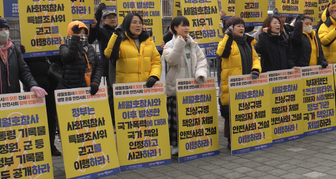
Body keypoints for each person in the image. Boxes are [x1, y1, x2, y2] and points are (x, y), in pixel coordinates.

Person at [0, 17, 47, 179]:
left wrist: (33, 85)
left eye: (6, 29)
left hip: (9, 101)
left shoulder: (13, 49)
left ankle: (7, 171)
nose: (4, 33)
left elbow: (24, 70)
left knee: (7, 138)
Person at [163, 16, 208, 156]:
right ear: (175, 28)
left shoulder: (193, 44)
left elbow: (201, 61)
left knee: (190, 118)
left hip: (191, 88)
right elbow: (172, 60)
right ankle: (174, 145)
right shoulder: (169, 45)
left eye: (187, 25)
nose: (186, 28)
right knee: (175, 119)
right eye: (183, 25)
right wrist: (179, 44)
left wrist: (200, 74)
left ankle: (190, 141)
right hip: (176, 89)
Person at [216, 17, 261, 150]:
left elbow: (255, 58)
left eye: (242, 26)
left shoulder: (248, 42)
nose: (241, 28)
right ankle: (232, 140)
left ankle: (245, 136)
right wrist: (227, 36)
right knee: (231, 112)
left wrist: (255, 70)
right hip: (232, 84)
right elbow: (222, 52)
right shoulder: (227, 41)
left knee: (245, 110)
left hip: (247, 81)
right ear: (231, 28)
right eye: (238, 26)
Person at [21, 47, 62, 157]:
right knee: (35, 119)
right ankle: (36, 145)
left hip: (51, 85)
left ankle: (50, 144)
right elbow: (22, 67)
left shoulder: (54, 45)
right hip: (34, 87)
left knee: (51, 117)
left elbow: (60, 60)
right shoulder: (27, 44)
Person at [104, 12, 161, 85]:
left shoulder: (148, 41)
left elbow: (156, 61)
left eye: (140, 23)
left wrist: (154, 75)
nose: (138, 25)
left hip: (146, 87)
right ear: (127, 25)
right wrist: (116, 35)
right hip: (127, 89)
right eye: (134, 22)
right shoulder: (120, 40)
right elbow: (109, 54)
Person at [59, 21, 103, 92]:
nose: (82, 35)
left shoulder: (90, 48)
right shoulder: (64, 46)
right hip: (71, 89)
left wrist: (95, 82)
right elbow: (70, 56)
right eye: (79, 32)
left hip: (88, 88)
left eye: (84, 33)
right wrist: (75, 38)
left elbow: (99, 65)